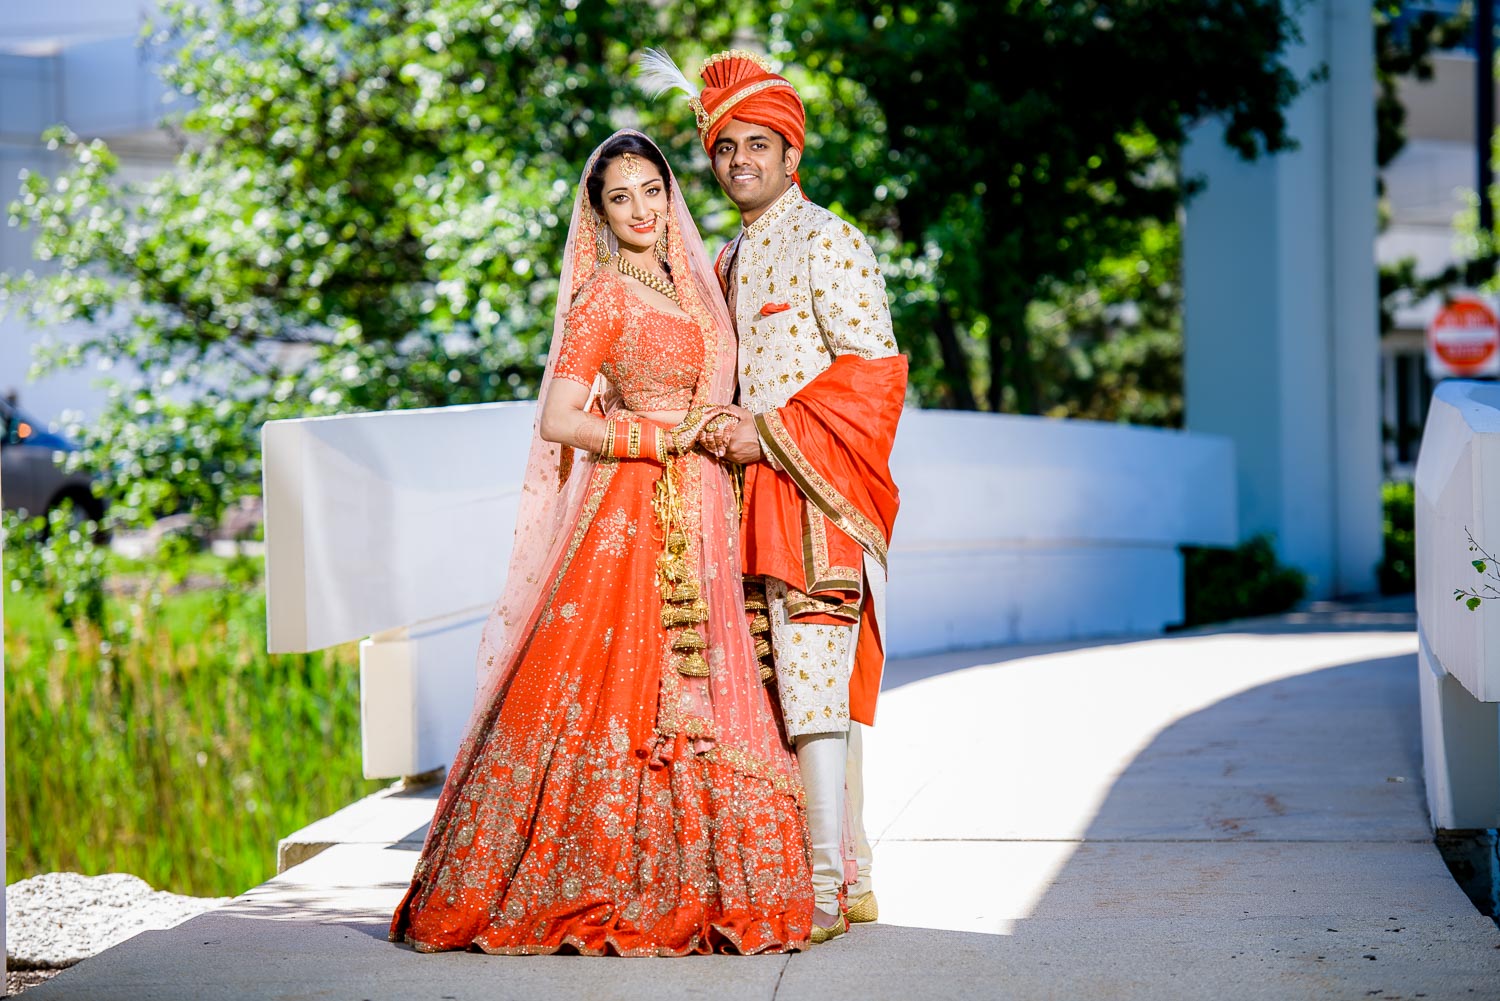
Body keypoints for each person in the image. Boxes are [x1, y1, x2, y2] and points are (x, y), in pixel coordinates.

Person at [389, 130, 813, 956]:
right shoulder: (605, 297)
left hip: (705, 507)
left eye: (651, 190)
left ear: (669, 191)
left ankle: (716, 876)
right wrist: (648, 440)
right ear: (600, 214)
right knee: (615, 685)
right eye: (620, 198)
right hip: (632, 507)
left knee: (708, 690)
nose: (641, 209)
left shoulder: (697, 285)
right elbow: (557, 417)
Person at [639, 49, 907, 944]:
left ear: (792, 155)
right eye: (725, 149)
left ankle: (824, 892)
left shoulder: (829, 238)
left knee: (815, 689)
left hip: (815, 496)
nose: (740, 161)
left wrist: (768, 433)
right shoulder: (727, 254)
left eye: (758, 144)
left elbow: (875, 375)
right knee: (786, 692)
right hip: (739, 504)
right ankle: (854, 873)